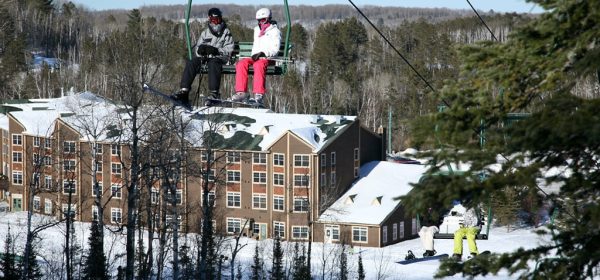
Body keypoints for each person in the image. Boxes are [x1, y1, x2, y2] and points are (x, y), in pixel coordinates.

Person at [173, 7, 234, 107]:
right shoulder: (205, 33)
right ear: (209, 19)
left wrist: (217, 50)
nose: (216, 23)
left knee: (213, 63)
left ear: (221, 19)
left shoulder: (226, 33)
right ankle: (184, 91)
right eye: (213, 20)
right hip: (206, 57)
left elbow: (229, 49)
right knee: (192, 62)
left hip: (220, 58)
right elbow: (198, 49)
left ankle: (214, 94)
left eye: (217, 20)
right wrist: (200, 50)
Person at [231, 7, 282, 106]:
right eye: (259, 20)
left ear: (268, 19)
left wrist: (263, 53)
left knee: (258, 65)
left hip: (268, 58)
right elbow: (256, 46)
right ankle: (241, 92)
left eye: (263, 20)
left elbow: (275, 48)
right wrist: (254, 55)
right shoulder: (257, 30)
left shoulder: (275, 31)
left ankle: (259, 94)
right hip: (256, 57)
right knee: (241, 63)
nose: (261, 23)